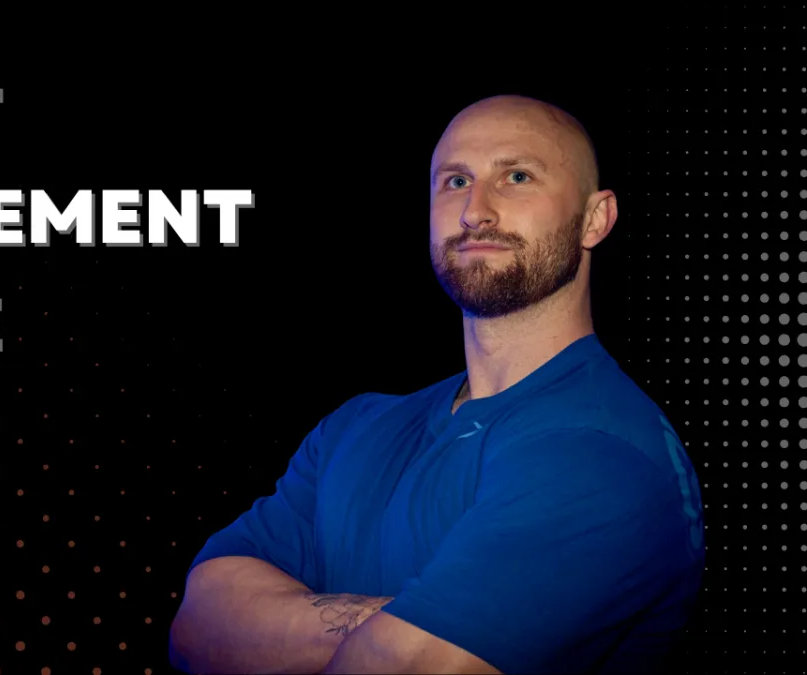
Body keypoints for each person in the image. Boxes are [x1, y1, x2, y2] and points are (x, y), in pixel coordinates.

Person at [168, 94, 706, 675]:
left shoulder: (601, 452)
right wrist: (402, 620)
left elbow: (404, 668)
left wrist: (296, 630)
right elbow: (197, 628)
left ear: (595, 219)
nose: (476, 210)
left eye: (517, 176)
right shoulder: (357, 427)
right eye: (455, 181)